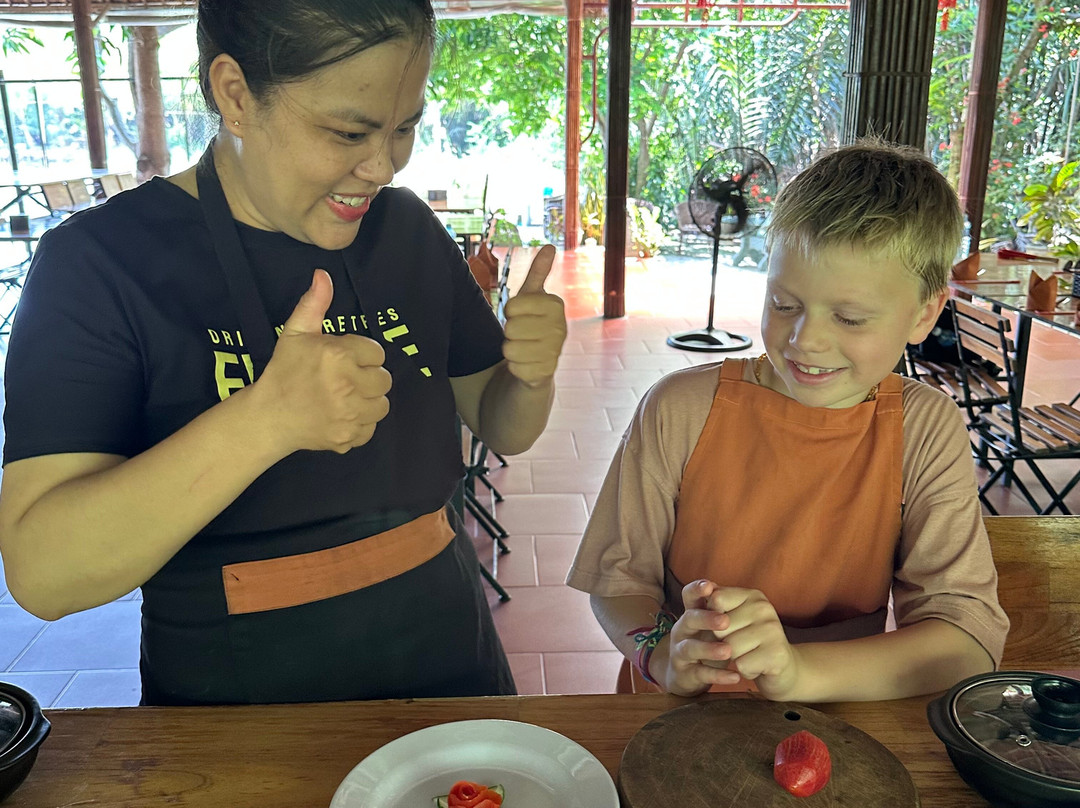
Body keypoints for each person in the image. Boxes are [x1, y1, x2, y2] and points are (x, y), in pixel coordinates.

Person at [0, 0, 567, 706]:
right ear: (236, 94)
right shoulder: (103, 264)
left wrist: (531, 376)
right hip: (240, 711)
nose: (383, 166)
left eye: (404, 128)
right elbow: (44, 574)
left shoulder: (408, 231)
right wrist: (265, 420)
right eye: (349, 131)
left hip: (450, 669)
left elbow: (503, 424)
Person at [566, 140, 1009, 702]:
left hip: (836, 718)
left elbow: (965, 639)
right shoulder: (680, 409)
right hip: (675, 715)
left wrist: (797, 672)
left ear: (925, 314)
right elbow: (617, 582)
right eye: (784, 305)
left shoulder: (923, 429)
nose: (806, 340)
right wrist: (660, 655)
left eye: (850, 318)